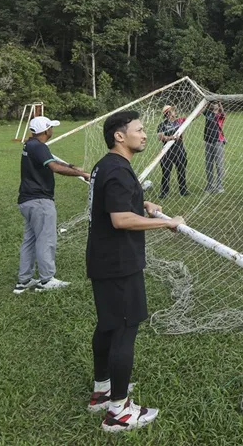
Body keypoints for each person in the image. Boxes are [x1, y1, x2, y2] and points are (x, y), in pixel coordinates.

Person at [86, 110, 185, 432]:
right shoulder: (117, 169)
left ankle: (102, 391)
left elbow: (114, 201)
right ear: (120, 136)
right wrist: (166, 223)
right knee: (124, 330)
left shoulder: (106, 165)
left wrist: (143, 203)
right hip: (118, 264)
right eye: (139, 130)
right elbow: (119, 219)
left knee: (108, 325)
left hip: (103, 260)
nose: (144, 135)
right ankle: (119, 412)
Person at [14, 116, 90, 294]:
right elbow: (55, 167)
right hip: (40, 201)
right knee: (46, 239)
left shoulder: (30, 144)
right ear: (46, 130)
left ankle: (24, 280)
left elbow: (51, 160)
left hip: (27, 201)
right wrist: (83, 174)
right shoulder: (39, 146)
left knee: (30, 240)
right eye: (51, 128)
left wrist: (71, 166)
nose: (52, 130)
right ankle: (46, 279)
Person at [156, 105, 189, 198]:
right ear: (168, 113)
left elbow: (193, 117)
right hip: (167, 152)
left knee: (181, 171)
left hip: (180, 150)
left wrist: (203, 106)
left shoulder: (179, 121)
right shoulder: (162, 124)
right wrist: (172, 138)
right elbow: (160, 137)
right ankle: (164, 192)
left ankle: (183, 191)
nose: (175, 111)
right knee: (166, 173)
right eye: (173, 110)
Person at [202, 101, 226, 193]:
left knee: (219, 165)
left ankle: (219, 186)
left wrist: (219, 102)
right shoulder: (208, 113)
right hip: (208, 141)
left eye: (216, 104)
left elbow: (223, 113)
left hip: (218, 141)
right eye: (213, 103)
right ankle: (209, 185)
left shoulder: (220, 115)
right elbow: (203, 110)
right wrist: (208, 101)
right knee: (209, 164)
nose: (214, 104)